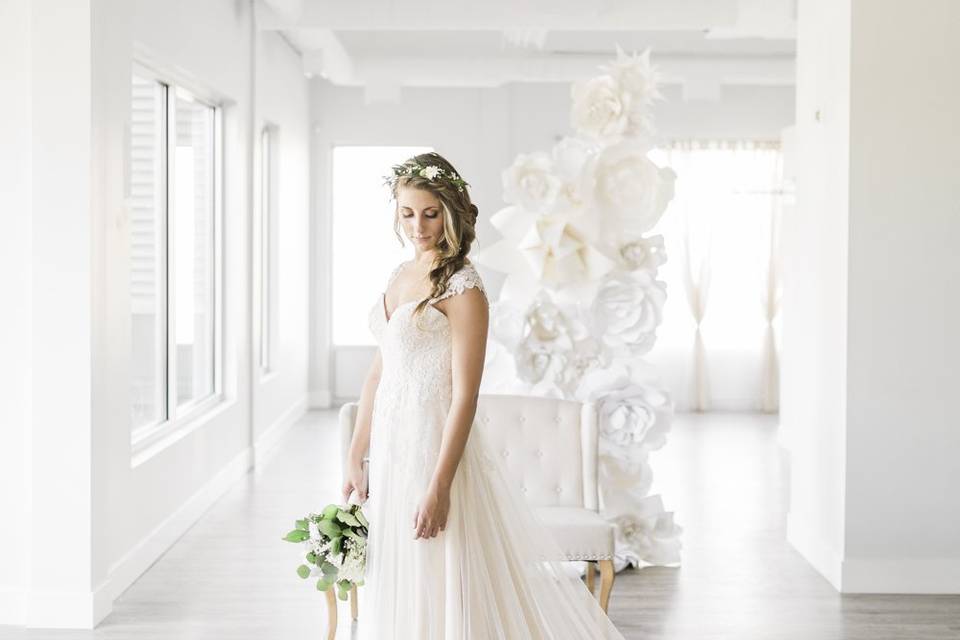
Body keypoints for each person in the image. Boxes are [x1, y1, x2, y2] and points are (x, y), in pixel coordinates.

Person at [342, 151, 627, 639]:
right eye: (407, 213)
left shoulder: (463, 286)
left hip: (434, 446)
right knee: (405, 567)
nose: (418, 226)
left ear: (450, 211)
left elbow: (466, 396)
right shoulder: (398, 276)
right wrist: (356, 453)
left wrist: (439, 485)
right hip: (393, 445)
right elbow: (377, 374)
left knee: (441, 563)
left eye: (430, 213)